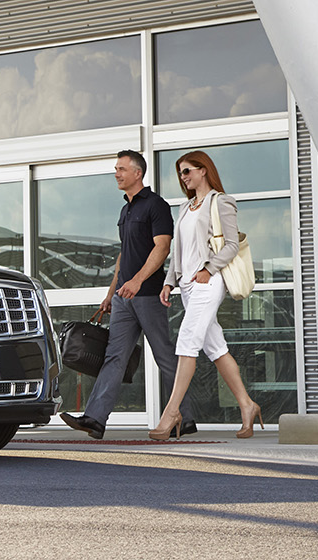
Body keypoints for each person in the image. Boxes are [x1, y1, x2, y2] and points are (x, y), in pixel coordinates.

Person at [61, 150, 195, 439]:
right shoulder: (125, 211)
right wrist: (112, 293)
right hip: (124, 298)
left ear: (138, 173)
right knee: (114, 357)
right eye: (115, 169)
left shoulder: (156, 205)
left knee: (164, 356)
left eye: (121, 169)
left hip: (148, 295)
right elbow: (124, 255)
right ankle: (95, 419)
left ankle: (185, 417)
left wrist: (137, 281)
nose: (116, 174)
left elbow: (162, 247)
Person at [149, 150, 263, 440]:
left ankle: (172, 412)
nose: (183, 177)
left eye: (188, 170)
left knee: (187, 342)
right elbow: (178, 251)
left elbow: (232, 245)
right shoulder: (185, 208)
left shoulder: (220, 202)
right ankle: (247, 405)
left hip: (208, 282)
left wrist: (208, 270)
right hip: (188, 285)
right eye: (181, 173)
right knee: (216, 349)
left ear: (203, 170)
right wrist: (169, 282)